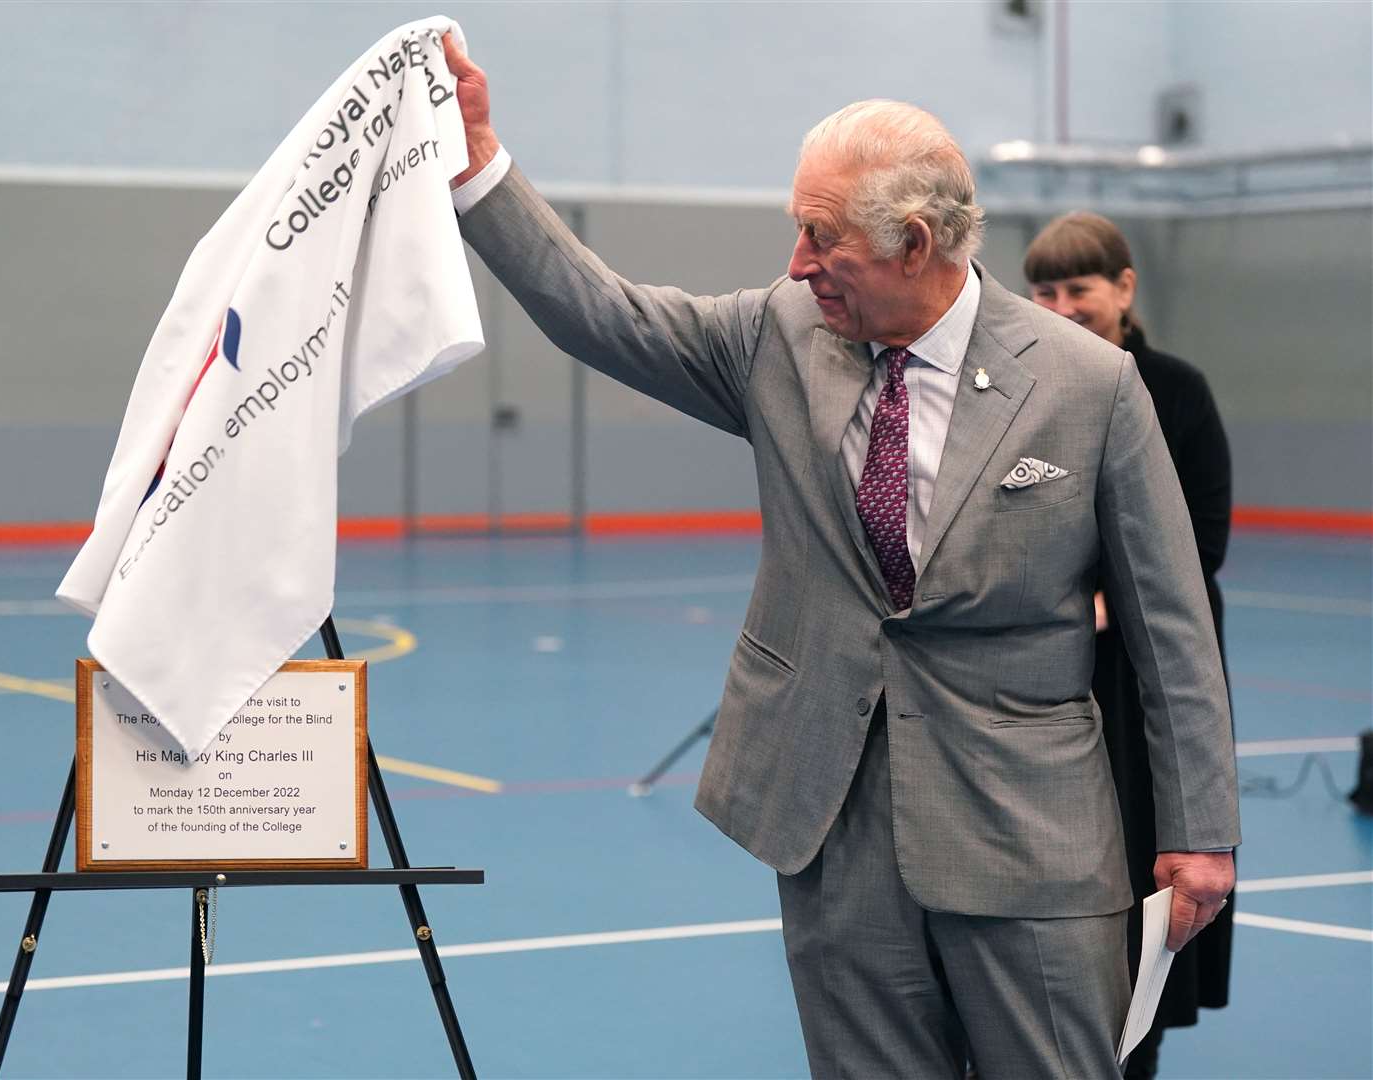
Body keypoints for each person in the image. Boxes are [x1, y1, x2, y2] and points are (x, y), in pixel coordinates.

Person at [443, 37, 1239, 1078]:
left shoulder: (1088, 386)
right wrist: (480, 169)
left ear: (914, 244)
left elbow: (1170, 623)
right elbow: (603, 313)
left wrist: (1198, 830)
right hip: (830, 821)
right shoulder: (775, 335)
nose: (797, 263)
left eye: (821, 238)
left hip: (1025, 833)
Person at [1026, 212, 1236, 1080]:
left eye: (1079, 289)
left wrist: (1112, 600)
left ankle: (1135, 1038)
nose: (1061, 307)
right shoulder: (1028, 385)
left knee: (1147, 851)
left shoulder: (1176, 390)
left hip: (1146, 670)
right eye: (1043, 292)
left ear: (1123, 288)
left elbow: (1203, 538)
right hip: (1056, 663)